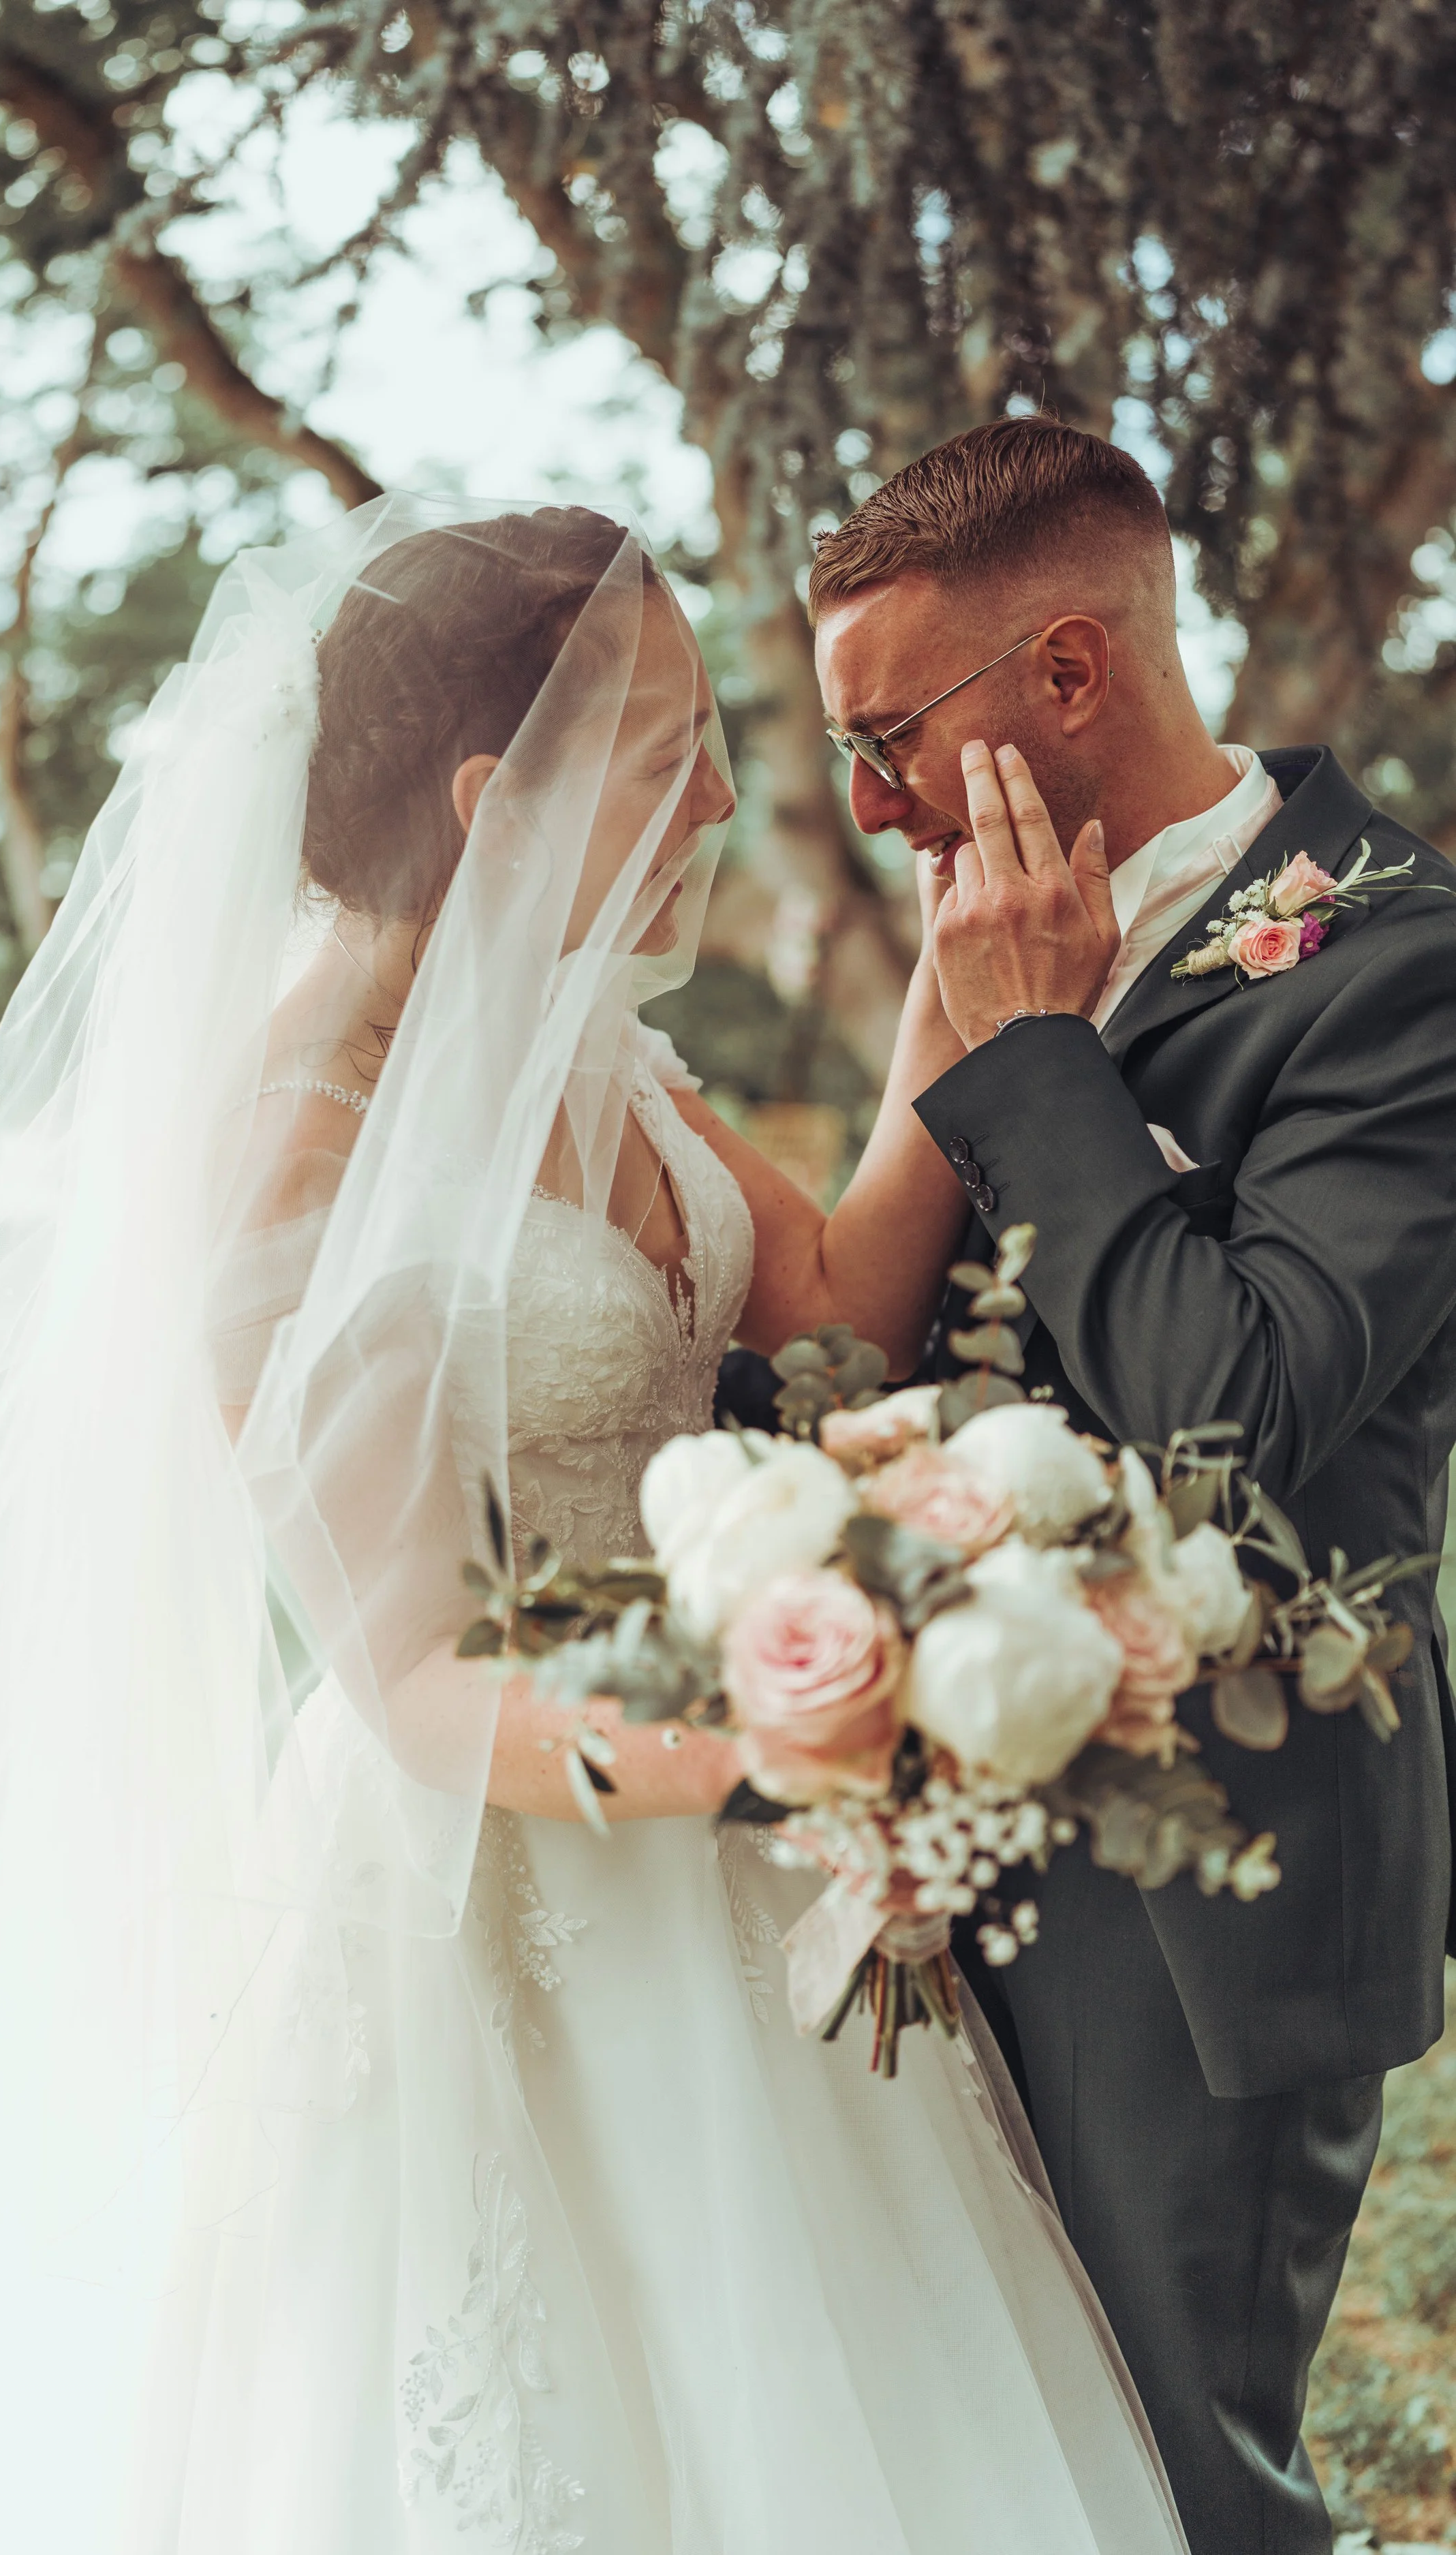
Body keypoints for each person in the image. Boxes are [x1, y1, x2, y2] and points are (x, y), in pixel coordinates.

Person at [0, 496, 1190, 2554]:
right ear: (490, 799)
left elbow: (830, 1305)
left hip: (736, 1844)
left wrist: (955, 1005)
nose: (722, 799)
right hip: (502, 1893)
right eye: (670, 751)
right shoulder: (283, 1159)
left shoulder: (591, 1048)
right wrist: (783, 1747)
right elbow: (416, 1682)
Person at [788, 414, 1456, 2555]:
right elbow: (887, 1346)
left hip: (1204, 1889)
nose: (870, 803)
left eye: (887, 734)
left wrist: (1038, 1061)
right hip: (935, 1829)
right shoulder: (980, 948)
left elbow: (1226, 1415)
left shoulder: (1400, 970)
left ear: (1067, 670)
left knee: (1173, 2489)